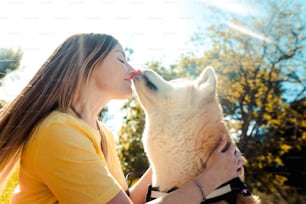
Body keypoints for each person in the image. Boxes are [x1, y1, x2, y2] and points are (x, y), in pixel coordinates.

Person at [0, 33, 243, 204]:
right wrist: (211, 179)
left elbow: (125, 201)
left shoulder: (102, 133)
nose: (131, 68)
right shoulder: (58, 132)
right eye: (121, 59)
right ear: (86, 63)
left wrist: (181, 156)